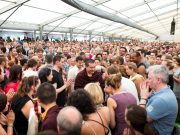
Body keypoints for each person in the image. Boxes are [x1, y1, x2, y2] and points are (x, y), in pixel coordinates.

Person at [140, 65, 178, 135]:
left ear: (158, 80)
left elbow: (141, 117)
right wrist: (148, 96)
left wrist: (143, 98)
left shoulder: (162, 99)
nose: (147, 81)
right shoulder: (164, 90)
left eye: (149, 78)